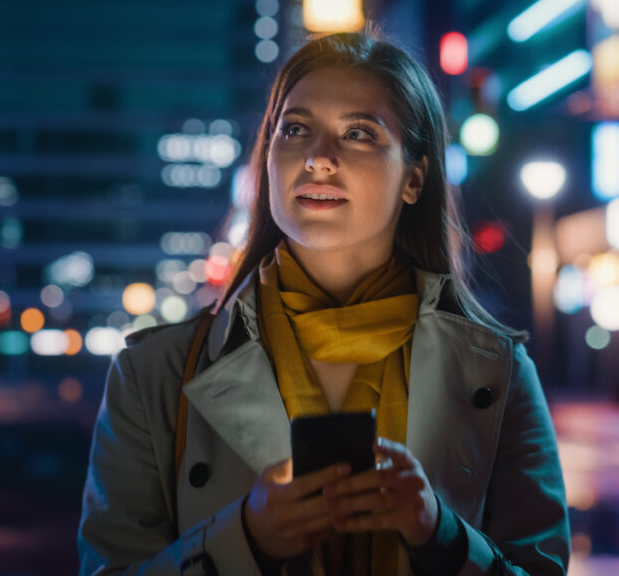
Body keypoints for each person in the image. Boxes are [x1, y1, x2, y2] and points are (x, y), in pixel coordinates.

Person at [78, 31, 570, 575]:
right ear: (266, 159)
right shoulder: (153, 375)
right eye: (295, 129)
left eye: (358, 133)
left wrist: (440, 531)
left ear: (414, 176)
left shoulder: (496, 372)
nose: (318, 158)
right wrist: (248, 537)